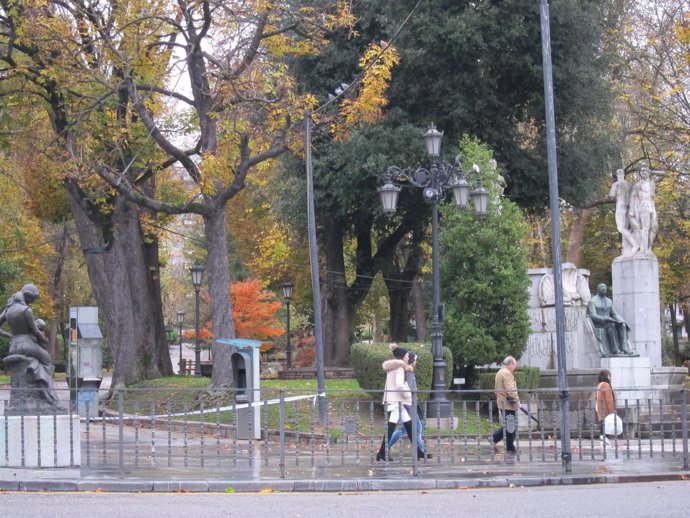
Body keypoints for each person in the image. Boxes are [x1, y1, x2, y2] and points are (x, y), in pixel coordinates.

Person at [0, 284, 60, 406]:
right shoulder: (26, 311)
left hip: (13, 346)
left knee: (41, 360)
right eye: (32, 299)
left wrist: (10, 336)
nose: (32, 302)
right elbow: (35, 331)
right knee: (47, 361)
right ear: (28, 296)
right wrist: (44, 340)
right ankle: (45, 393)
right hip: (26, 345)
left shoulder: (8, 310)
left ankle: (36, 375)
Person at [376, 344, 427, 461]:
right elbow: (399, 385)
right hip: (397, 401)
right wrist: (407, 394)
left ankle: (418, 451)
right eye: (407, 355)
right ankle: (382, 452)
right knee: (392, 427)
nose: (408, 357)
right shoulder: (399, 368)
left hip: (395, 401)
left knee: (408, 425)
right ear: (403, 357)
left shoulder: (392, 368)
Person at [386, 351, 431, 459]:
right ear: (411, 360)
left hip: (408, 404)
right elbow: (408, 389)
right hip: (409, 404)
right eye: (415, 359)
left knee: (404, 429)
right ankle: (420, 452)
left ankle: (385, 448)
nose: (416, 362)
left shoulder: (407, 371)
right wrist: (413, 393)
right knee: (417, 427)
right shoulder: (409, 372)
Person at [586, 283, 637, 357]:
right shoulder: (592, 301)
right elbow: (592, 315)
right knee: (611, 325)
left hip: (609, 320)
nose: (604, 292)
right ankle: (615, 349)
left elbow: (614, 314)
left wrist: (622, 321)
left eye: (605, 290)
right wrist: (604, 319)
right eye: (602, 290)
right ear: (598, 290)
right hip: (599, 322)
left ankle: (624, 347)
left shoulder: (609, 301)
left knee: (622, 325)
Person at [488, 356, 521, 455]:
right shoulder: (507, 373)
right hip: (508, 404)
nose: (515, 367)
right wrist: (517, 400)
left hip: (502, 402)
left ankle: (509, 447)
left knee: (510, 426)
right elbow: (511, 390)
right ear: (510, 364)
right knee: (510, 426)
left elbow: (496, 389)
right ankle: (496, 439)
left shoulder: (500, 372)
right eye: (515, 365)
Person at [628, 163, 658, 255]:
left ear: (649, 172)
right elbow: (632, 197)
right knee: (645, 228)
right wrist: (632, 211)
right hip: (643, 205)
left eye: (645, 171)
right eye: (641, 171)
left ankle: (649, 248)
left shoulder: (652, 182)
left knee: (654, 227)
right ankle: (643, 249)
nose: (643, 172)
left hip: (652, 206)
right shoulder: (637, 185)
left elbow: (665, 173)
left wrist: (651, 171)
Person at [609, 169, 638, 256]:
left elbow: (611, 195)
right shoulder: (629, 185)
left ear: (617, 175)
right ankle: (626, 250)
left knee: (620, 228)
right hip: (628, 207)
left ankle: (635, 244)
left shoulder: (616, 184)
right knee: (625, 228)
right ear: (624, 174)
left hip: (620, 205)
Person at [595, 369, 615, 446]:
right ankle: (603, 437)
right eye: (609, 375)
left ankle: (603, 438)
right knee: (607, 423)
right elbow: (609, 399)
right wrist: (611, 410)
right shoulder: (606, 385)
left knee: (603, 423)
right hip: (605, 408)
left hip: (600, 407)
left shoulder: (599, 385)